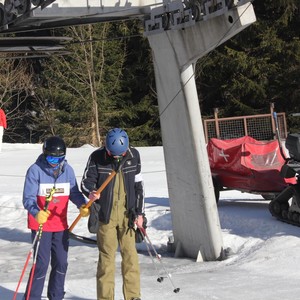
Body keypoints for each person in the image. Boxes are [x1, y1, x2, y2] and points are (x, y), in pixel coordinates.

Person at [22, 136, 90, 300]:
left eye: (59, 158)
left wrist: (82, 205)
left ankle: (56, 295)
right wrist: (36, 212)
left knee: (61, 262)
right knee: (42, 264)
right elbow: (28, 199)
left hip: (60, 225)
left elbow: (74, 193)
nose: (55, 162)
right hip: (41, 225)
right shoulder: (35, 170)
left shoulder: (68, 171)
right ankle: (32, 297)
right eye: (51, 157)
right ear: (44, 154)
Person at [81, 128, 144, 300]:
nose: (117, 157)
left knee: (130, 257)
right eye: (113, 154)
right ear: (106, 147)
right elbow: (86, 183)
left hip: (128, 215)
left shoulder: (134, 156)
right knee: (106, 260)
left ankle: (133, 296)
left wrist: (140, 213)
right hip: (106, 216)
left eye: (120, 154)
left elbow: (139, 188)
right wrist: (91, 193)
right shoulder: (96, 157)